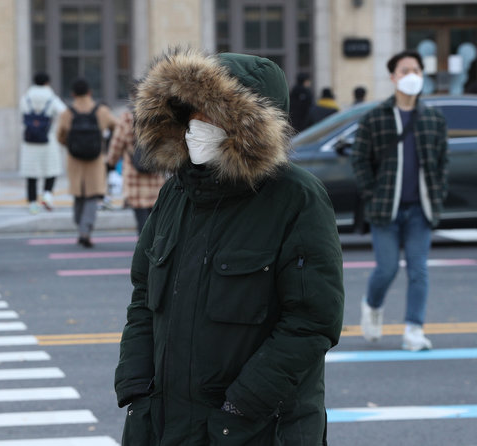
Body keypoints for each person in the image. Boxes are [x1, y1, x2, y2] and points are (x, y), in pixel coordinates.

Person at [114, 49, 344, 445]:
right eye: (192, 115)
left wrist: (241, 405)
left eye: (212, 117)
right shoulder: (177, 192)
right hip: (164, 422)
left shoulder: (296, 198)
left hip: (254, 428)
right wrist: (135, 389)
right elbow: (143, 297)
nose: (196, 128)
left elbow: (312, 321)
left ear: (247, 126)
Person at [351, 50, 448, 351]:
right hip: (385, 210)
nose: (412, 76)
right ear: (393, 77)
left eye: (417, 71)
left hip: (421, 209)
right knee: (387, 268)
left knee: (419, 270)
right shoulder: (375, 118)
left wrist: (438, 194)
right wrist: (372, 192)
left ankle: (414, 330)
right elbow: (359, 159)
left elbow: (442, 161)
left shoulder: (433, 118)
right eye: (405, 71)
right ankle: (372, 304)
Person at [56, 78, 117, 248]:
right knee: (92, 195)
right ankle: (86, 230)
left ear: (72, 94)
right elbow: (117, 126)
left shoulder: (67, 113)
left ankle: (80, 226)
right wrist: (106, 143)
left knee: (78, 196)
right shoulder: (101, 111)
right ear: (90, 92)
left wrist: (70, 144)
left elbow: (60, 136)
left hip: (74, 159)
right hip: (95, 159)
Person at [107, 110, 165, 234]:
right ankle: (154, 247)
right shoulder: (157, 114)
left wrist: (110, 163)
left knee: (141, 219)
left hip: (134, 178)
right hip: (155, 175)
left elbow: (116, 145)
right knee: (155, 217)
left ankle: (144, 246)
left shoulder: (127, 118)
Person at [19, 72, 66, 214]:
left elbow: (22, 113)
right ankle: (47, 195)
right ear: (47, 83)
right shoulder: (51, 98)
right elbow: (63, 112)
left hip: (30, 140)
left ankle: (33, 203)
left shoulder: (26, 98)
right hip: (48, 139)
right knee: (51, 169)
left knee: (31, 173)